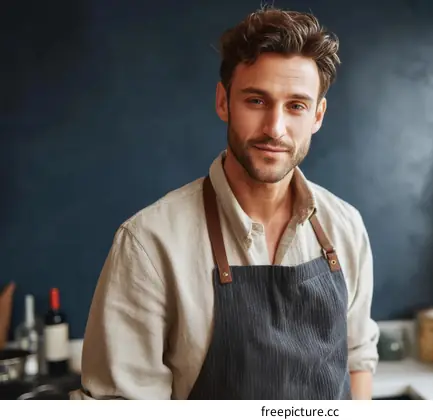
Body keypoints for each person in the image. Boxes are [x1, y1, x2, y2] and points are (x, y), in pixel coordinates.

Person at [71, 6, 379, 400]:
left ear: (317, 115)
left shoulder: (345, 228)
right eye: (256, 100)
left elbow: (357, 362)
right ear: (223, 102)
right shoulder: (149, 244)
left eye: (296, 106)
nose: (275, 128)